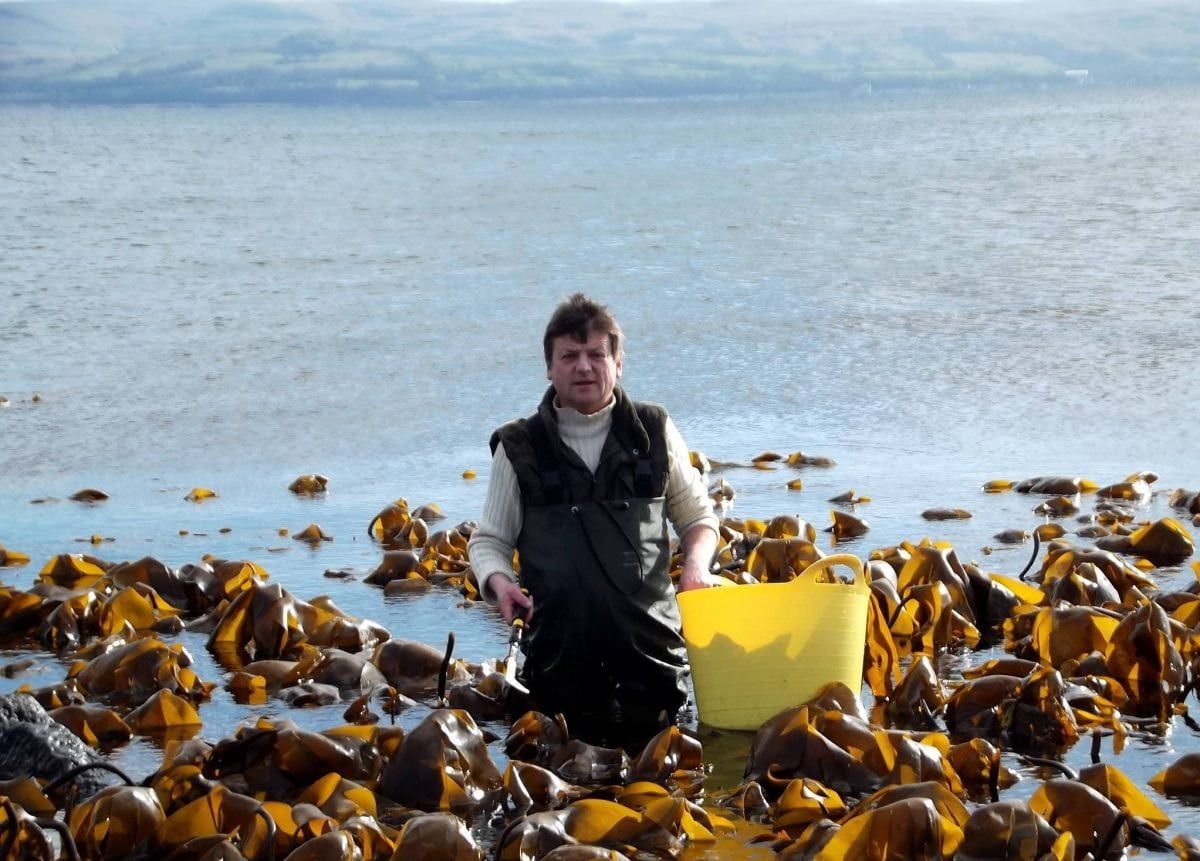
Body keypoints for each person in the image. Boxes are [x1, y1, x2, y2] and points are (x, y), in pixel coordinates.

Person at [468, 293, 720, 742]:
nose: (583, 367)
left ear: (618, 363)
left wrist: (697, 567)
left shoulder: (654, 431)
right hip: (557, 670)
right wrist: (499, 582)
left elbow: (698, 517)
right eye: (569, 356)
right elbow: (490, 542)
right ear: (549, 367)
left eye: (596, 354)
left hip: (656, 666)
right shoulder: (517, 447)